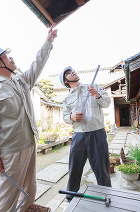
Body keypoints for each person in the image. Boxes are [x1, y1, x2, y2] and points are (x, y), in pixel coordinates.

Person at [0, 24, 57, 212]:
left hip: (29, 145)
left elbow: (37, 65)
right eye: (5, 56)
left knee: (28, 190)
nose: (11, 58)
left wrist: (48, 42)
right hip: (11, 151)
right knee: (5, 197)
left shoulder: (20, 82)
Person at [59, 66, 112, 202]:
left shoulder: (93, 87)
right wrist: (72, 117)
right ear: (66, 81)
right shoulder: (67, 99)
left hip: (97, 133)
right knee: (74, 168)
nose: (73, 72)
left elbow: (106, 103)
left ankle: (108, 197)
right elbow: (65, 117)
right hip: (78, 135)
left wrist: (97, 95)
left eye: (72, 70)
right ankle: (70, 198)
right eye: (68, 73)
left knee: (102, 169)